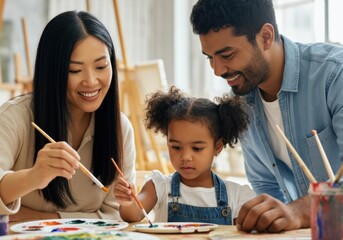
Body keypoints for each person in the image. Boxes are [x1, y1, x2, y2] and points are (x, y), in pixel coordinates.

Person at [190, 0, 343, 233]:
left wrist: (297, 211)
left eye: (227, 55)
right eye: (209, 57)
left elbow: (292, 210)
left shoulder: (334, 76)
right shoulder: (242, 104)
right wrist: (268, 216)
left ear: (265, 37)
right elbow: (266, 186)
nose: (217, 70)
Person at [0, 11, 136, 221]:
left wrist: (42, 218)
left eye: (101, 66)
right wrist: (33, 177)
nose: (91, 81)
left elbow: (113, 217)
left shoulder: (120, 128)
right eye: (75, 70)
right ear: (51, 71)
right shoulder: (14, 119)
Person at [114, 86, 255, 224]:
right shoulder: (159, 187)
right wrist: (128, 202)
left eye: (197, 148)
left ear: (217, 147)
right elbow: (133, 215)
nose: (186, 156)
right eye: (176, 147)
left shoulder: (238, 196)